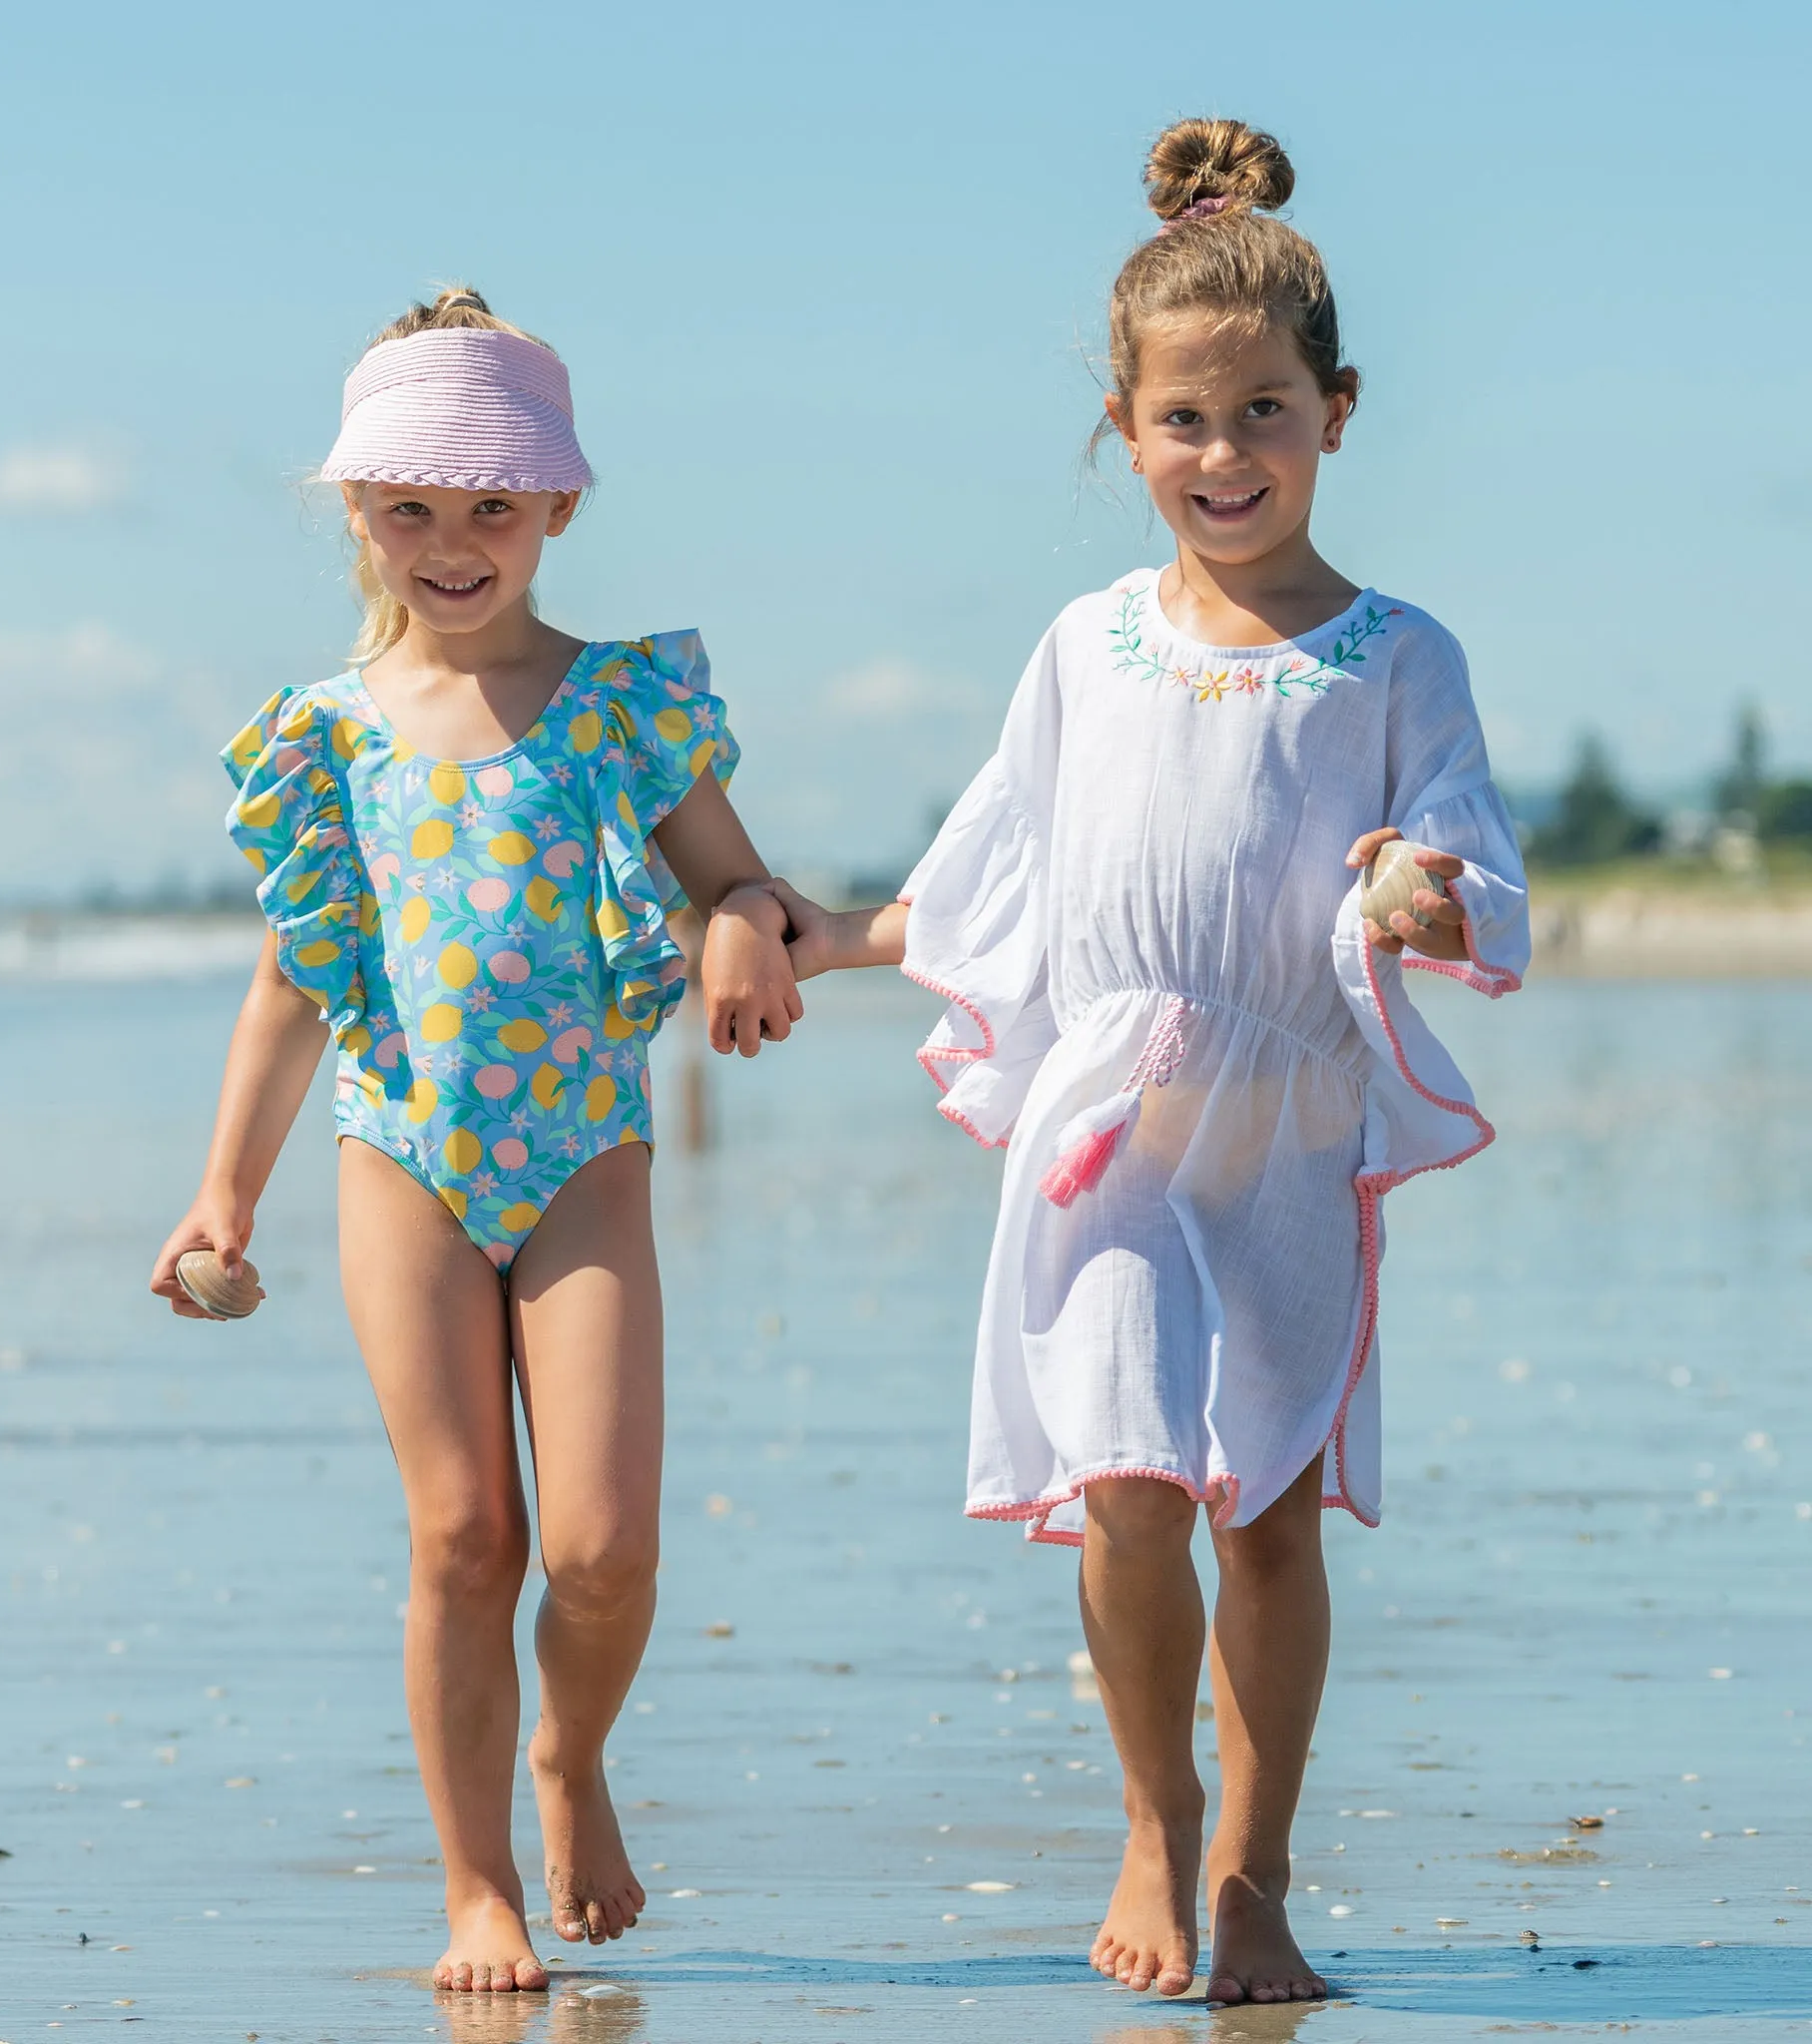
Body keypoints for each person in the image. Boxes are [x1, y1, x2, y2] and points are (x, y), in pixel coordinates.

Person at [767, 119, 1528, 2006]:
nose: (1224, 455)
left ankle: (1261, 1870)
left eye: (1264, 411)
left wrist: (1430, 894)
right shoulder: (1083, 647)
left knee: (1260, 1515)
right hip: (1105, 1131)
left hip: (1282, 1134)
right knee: (1120, 1490)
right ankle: (1154, 1820)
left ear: (1339, 412)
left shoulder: (1394, 656)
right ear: (1124, 429)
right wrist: (820, 934)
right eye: (1183, 421)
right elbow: (991, 869)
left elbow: (1477, 868)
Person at [150, 286, 799, 1994]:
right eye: (412, 508)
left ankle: (569, 1756)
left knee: (597, 1548)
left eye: (491, 508)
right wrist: (224, 1194)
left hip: (583, 1155)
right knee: (463, 1535)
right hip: (403, 1159)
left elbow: (733, 876)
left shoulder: (618, 707)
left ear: (560, 507)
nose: (452, 543)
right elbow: (297, 986)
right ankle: (475, 1890)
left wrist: (735, 920)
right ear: (356, 507)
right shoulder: (331, 736)